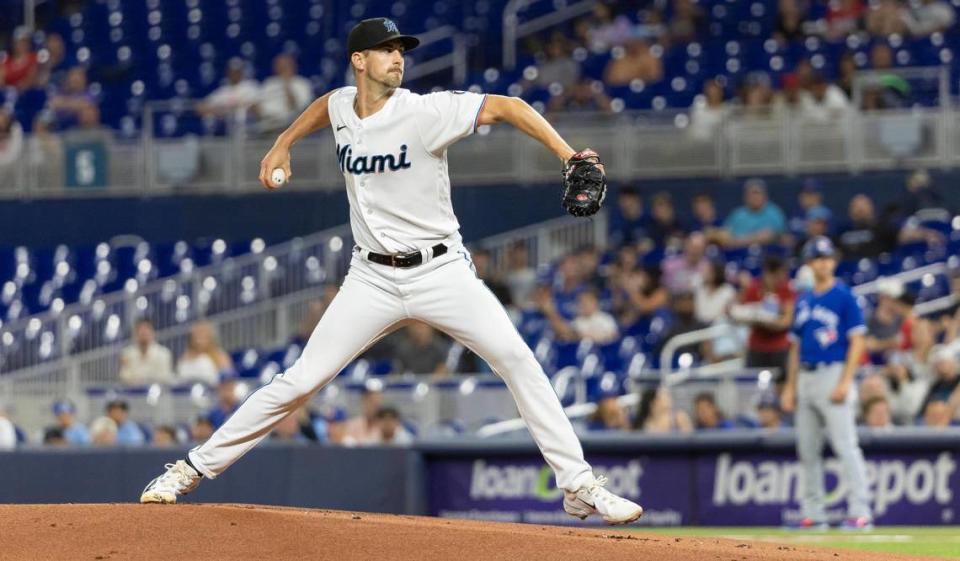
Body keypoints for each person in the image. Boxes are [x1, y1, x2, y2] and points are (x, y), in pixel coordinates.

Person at [141, 17, 642, 525]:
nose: (398, 57)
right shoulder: (341, 105)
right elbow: (324, 108)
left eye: (400, 50)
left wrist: (568, 155)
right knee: (298, 381)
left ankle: (579, 487)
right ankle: (190, 469)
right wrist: (283, 142)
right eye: (385, 50)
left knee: (517, 360)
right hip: (371, 278)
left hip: (440, 271)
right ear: (359, 61)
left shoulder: (427, 112)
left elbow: (508, 107)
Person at [781, 236, 872, 530]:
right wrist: (789, 386)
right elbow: (795, 347)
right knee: (807, 449)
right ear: (809, 262)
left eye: (827, 257)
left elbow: (858, 341)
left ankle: (860, 512)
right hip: (806, 376)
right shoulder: (803, 300)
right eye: (817, 257)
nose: (823, 262)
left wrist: (846, 381)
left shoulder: (845, 296)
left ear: (833, 261)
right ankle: (814, 514)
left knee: (846, 446)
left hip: (833, 372)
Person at [734, 256, 796, 383]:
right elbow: (740, 313)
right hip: (756, 347)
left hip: (779, 348)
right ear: (768, 273)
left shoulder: (786, 289)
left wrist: (770, 323)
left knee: (780, 385)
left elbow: (787, 321)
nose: (782, 279)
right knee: (752, 388)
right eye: (778, 276)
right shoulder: (753, 288)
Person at [255, 53, 314, 132]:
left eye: (285, 66)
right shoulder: (269, 83)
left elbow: (297, 107)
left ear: (293, 66)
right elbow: (258, 105)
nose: (282, 68)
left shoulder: (302, 84)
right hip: (267, 124)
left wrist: (286, 84)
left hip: (291, 126)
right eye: (279, 65)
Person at [721, 179, 787, 248]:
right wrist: (752, 238)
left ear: (765, 196)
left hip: (767, 254)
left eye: (757, 193)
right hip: (739, 253)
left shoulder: (774, 212)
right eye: (752, 194)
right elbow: (725, 237)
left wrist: (739, 240)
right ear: (745, 197)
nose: (755, 197)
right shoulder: (737, 214)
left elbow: (780, 237)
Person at [196, 58, 260, 119]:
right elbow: (202, 107)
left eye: (237, 71)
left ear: (241, 71)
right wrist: (218, 111)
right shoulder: (224, 90)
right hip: (227, 125)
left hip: (248, 125)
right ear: (228, 72)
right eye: (232, 71)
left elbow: (257, 107)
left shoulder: (250, 86)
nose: (234, 74)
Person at [119, 318, 175, 386]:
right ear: (135, 334)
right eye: (140, 330)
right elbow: (124, 378)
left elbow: (164, 379)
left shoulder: (163, 354)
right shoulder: (127, 354)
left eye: (146, 330)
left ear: (152, 332)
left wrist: (140, 381)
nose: (143, 333)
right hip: (133, 393)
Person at [177, 321, 234, 386]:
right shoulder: (185, 357)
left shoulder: (219, 355)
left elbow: (228, 377)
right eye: (197, 335)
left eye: (203, 335)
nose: (199, 339)